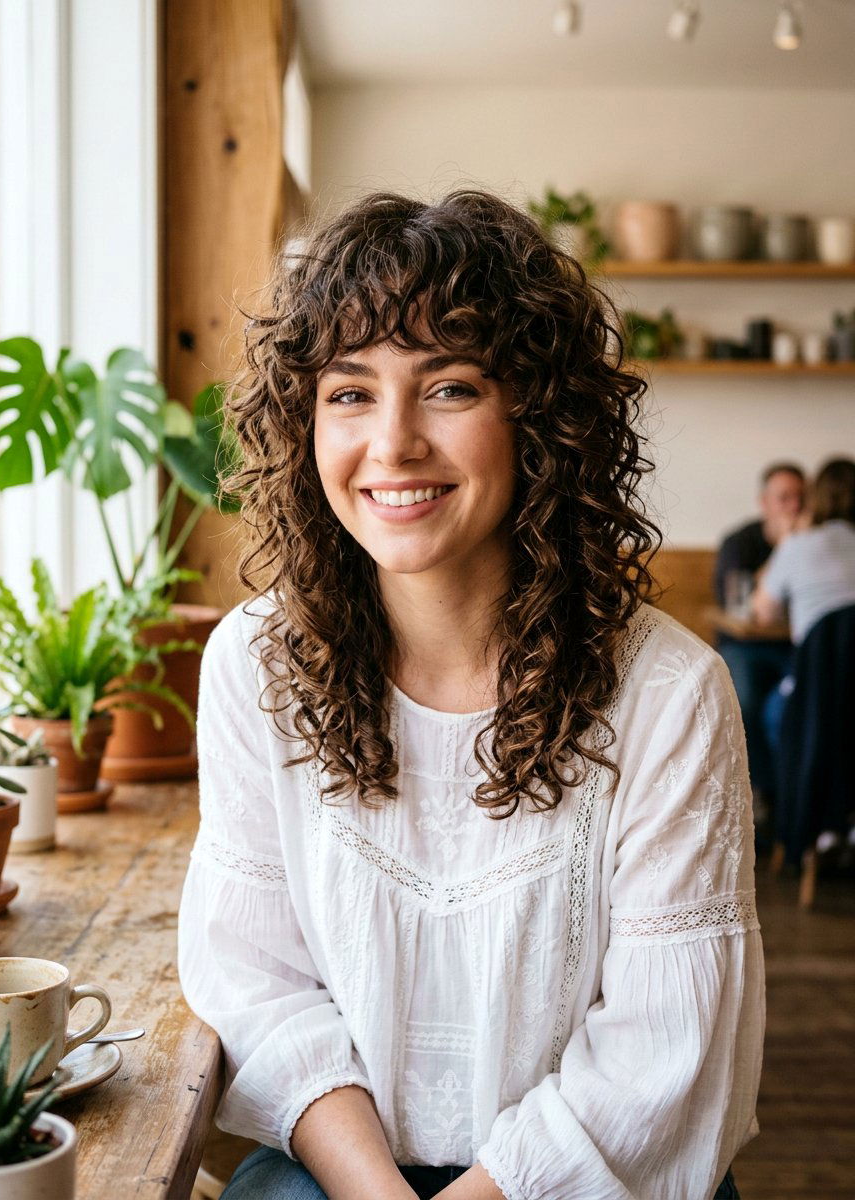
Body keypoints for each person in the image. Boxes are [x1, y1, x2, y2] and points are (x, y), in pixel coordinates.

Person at [177, 190, 764, 1200]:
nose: (393, 442)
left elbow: (658, 1052)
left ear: (537, 415)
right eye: (350, 393)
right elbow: (256, 979)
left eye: (447, 387)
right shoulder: (252, 664)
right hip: (341, 1173)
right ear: (302, 422)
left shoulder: (669, 694)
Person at [752, 457, 855, 766]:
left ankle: (788, 795)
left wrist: (786, 541)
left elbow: (763, 613)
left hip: (815, 684)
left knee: (773, 715)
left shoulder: (799, 545)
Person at [713, 464, 804, 810]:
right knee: (746, 701)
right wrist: (786, 550)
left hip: (791, 646)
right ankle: (761, 794)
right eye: (784, 498)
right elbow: (739, 611)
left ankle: (795, 794)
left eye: (800, 498)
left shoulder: (814, 542)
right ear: (764, 502)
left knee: (802, 703)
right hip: (744, 645)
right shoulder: (740, 542)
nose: (793, 506)